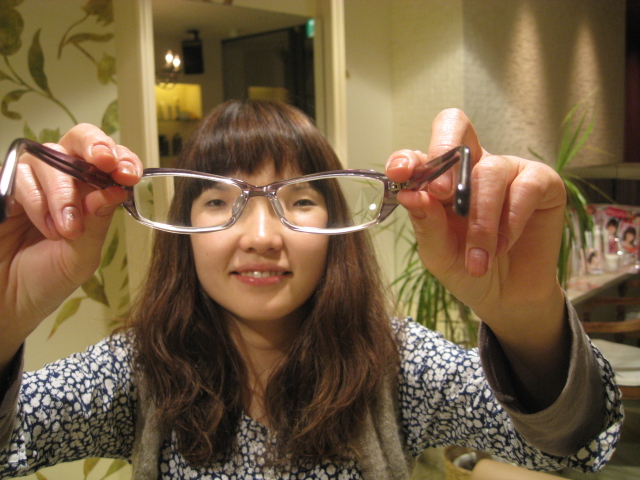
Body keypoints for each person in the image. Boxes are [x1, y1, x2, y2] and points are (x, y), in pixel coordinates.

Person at [0, 101, 623, 479]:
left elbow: (578, 448)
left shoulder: (395, 364)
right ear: (184, 231)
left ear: (336, 226)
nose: (261, 237)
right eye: (218, 201)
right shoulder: (139, 369)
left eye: (299, 200)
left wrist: (527, 317)